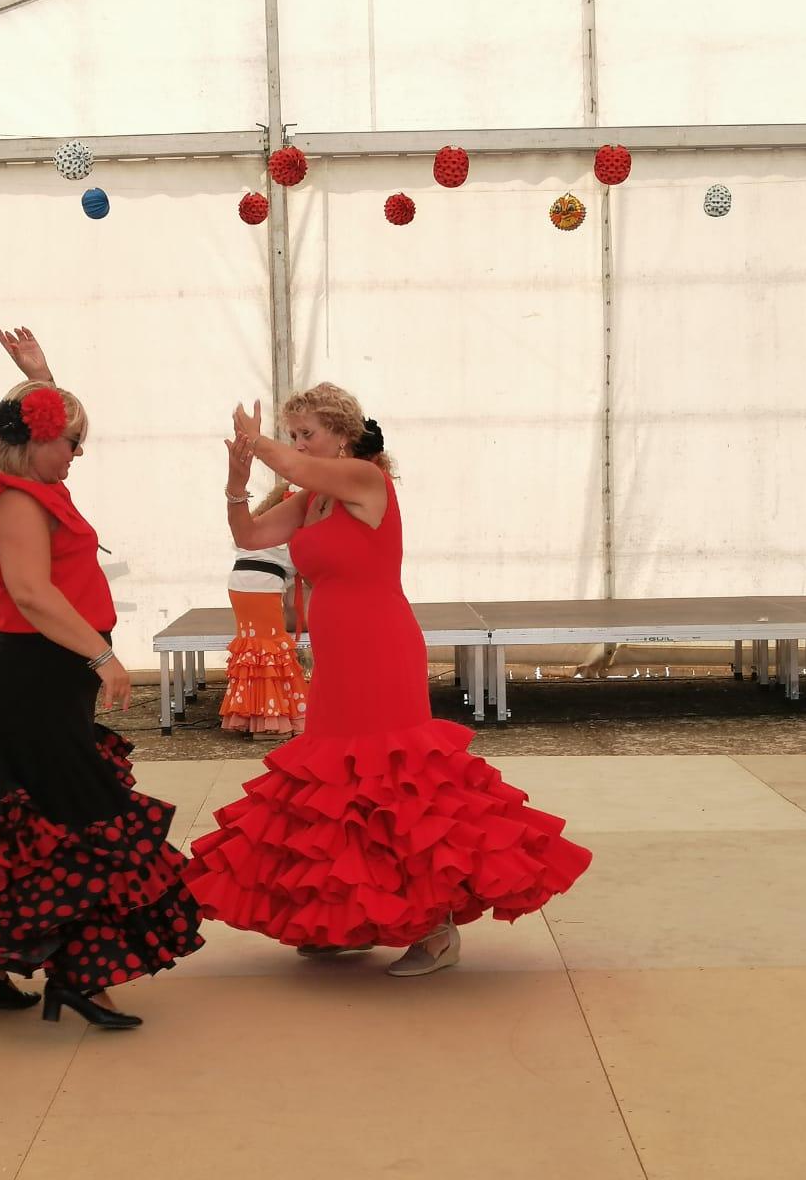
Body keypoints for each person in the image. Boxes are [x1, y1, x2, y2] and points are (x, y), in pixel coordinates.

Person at [185, 383, 591, 976]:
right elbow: (249, 537)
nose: (299, 443)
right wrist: (235, 479)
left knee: (397, 781)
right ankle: (349, 918)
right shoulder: (311, 499)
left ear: (342, 435)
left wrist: (260, 443)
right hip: (337, 657)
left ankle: (435, 929)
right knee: (337, 785)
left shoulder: (365, 479)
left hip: (380, 647)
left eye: (307, 433)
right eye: (293, 433)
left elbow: (294, 466)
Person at [0, 327, 203, 1028]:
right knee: (83, 819)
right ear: (37, 440)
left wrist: (42, 376)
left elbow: (43, 442)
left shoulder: (32, 487)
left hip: (41, 676)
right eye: (71, 442)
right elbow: (32, 594)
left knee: (15, 821)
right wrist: (103, 658)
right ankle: (82, 977)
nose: (78, 453)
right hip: (37, 677)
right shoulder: (18, 499)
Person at [221, 484, 308, 740]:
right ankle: (268, 721)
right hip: (263, 585)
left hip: (239, 582)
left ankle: (254, 715)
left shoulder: (263, 523)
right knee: (268, 649)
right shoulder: (292, 528)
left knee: (252, 649)